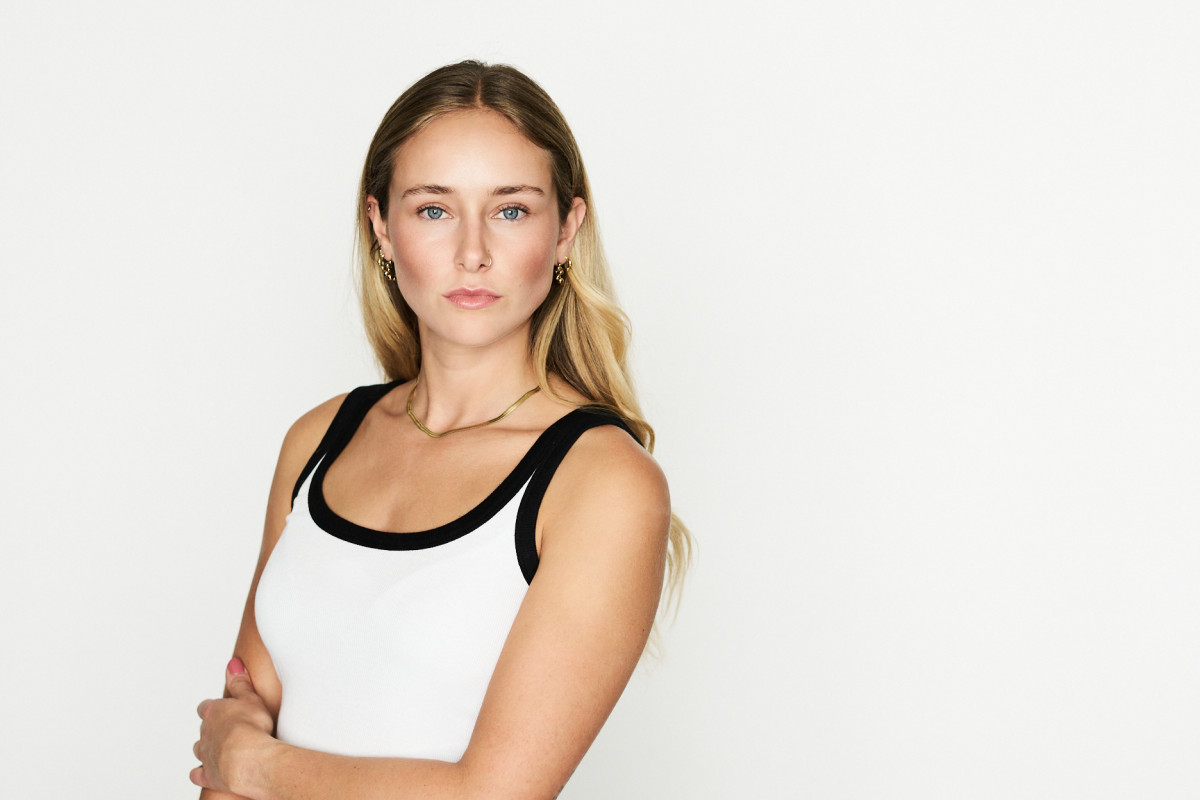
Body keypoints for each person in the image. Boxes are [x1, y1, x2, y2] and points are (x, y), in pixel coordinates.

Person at [191, 60, 691, 799]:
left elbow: (491, 795)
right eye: (434, 210)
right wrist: (236, 766)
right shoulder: (319, 439)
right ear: (380, 227)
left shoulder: (601, 482)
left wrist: (256, 765)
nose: (472, 252)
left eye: (511, 210)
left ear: (566, 230)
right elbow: (238, 722)